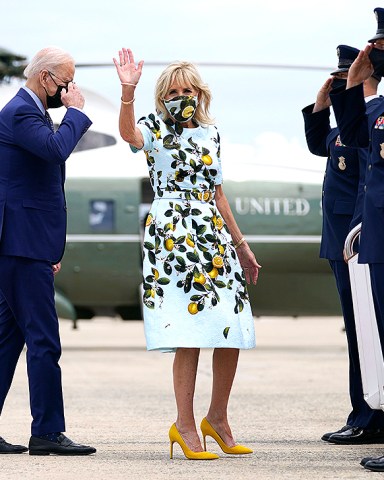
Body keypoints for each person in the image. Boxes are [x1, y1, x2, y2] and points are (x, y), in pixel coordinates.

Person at [113, 48, 261, 460]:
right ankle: (183, 424)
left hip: (212, 235)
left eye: (188, 89)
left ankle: (217, 417)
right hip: (173, 235)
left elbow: (217, 191)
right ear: (164, 97)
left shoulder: (212, 134)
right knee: (188, 332)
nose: (182, 96)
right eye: (174, 91)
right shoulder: (154, 128)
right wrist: (128, 91)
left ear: (200, 93)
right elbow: (130, 136)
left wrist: (241, 244)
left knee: (231, 325)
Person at [0, 47, 96, 456]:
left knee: (8, 339)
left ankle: (44, 429)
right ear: (45, 79)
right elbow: (56, 150)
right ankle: (47, 432)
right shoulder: (22, 112)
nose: (70, 89)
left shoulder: (31, 113)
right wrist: (74, 112)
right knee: (44, 339)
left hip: (25, 243)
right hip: (22, 245)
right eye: (66, 82)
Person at [302, 45, 384, 445]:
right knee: (358, 333)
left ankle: (369, 415)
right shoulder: (344, 130)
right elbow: (319, 143)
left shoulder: (366, 124)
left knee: (366, 334)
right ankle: (364, 411)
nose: (337, 89)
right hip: (341, 244)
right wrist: (321, 102)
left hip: (358, 242)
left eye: (342, 82)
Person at [330, 7, 384, 472]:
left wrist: (366, 91)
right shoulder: (376, 105)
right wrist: (355, 85)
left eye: (380, 48)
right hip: (374, 240)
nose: (375, 55)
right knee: (376, 339)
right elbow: (352, 135)